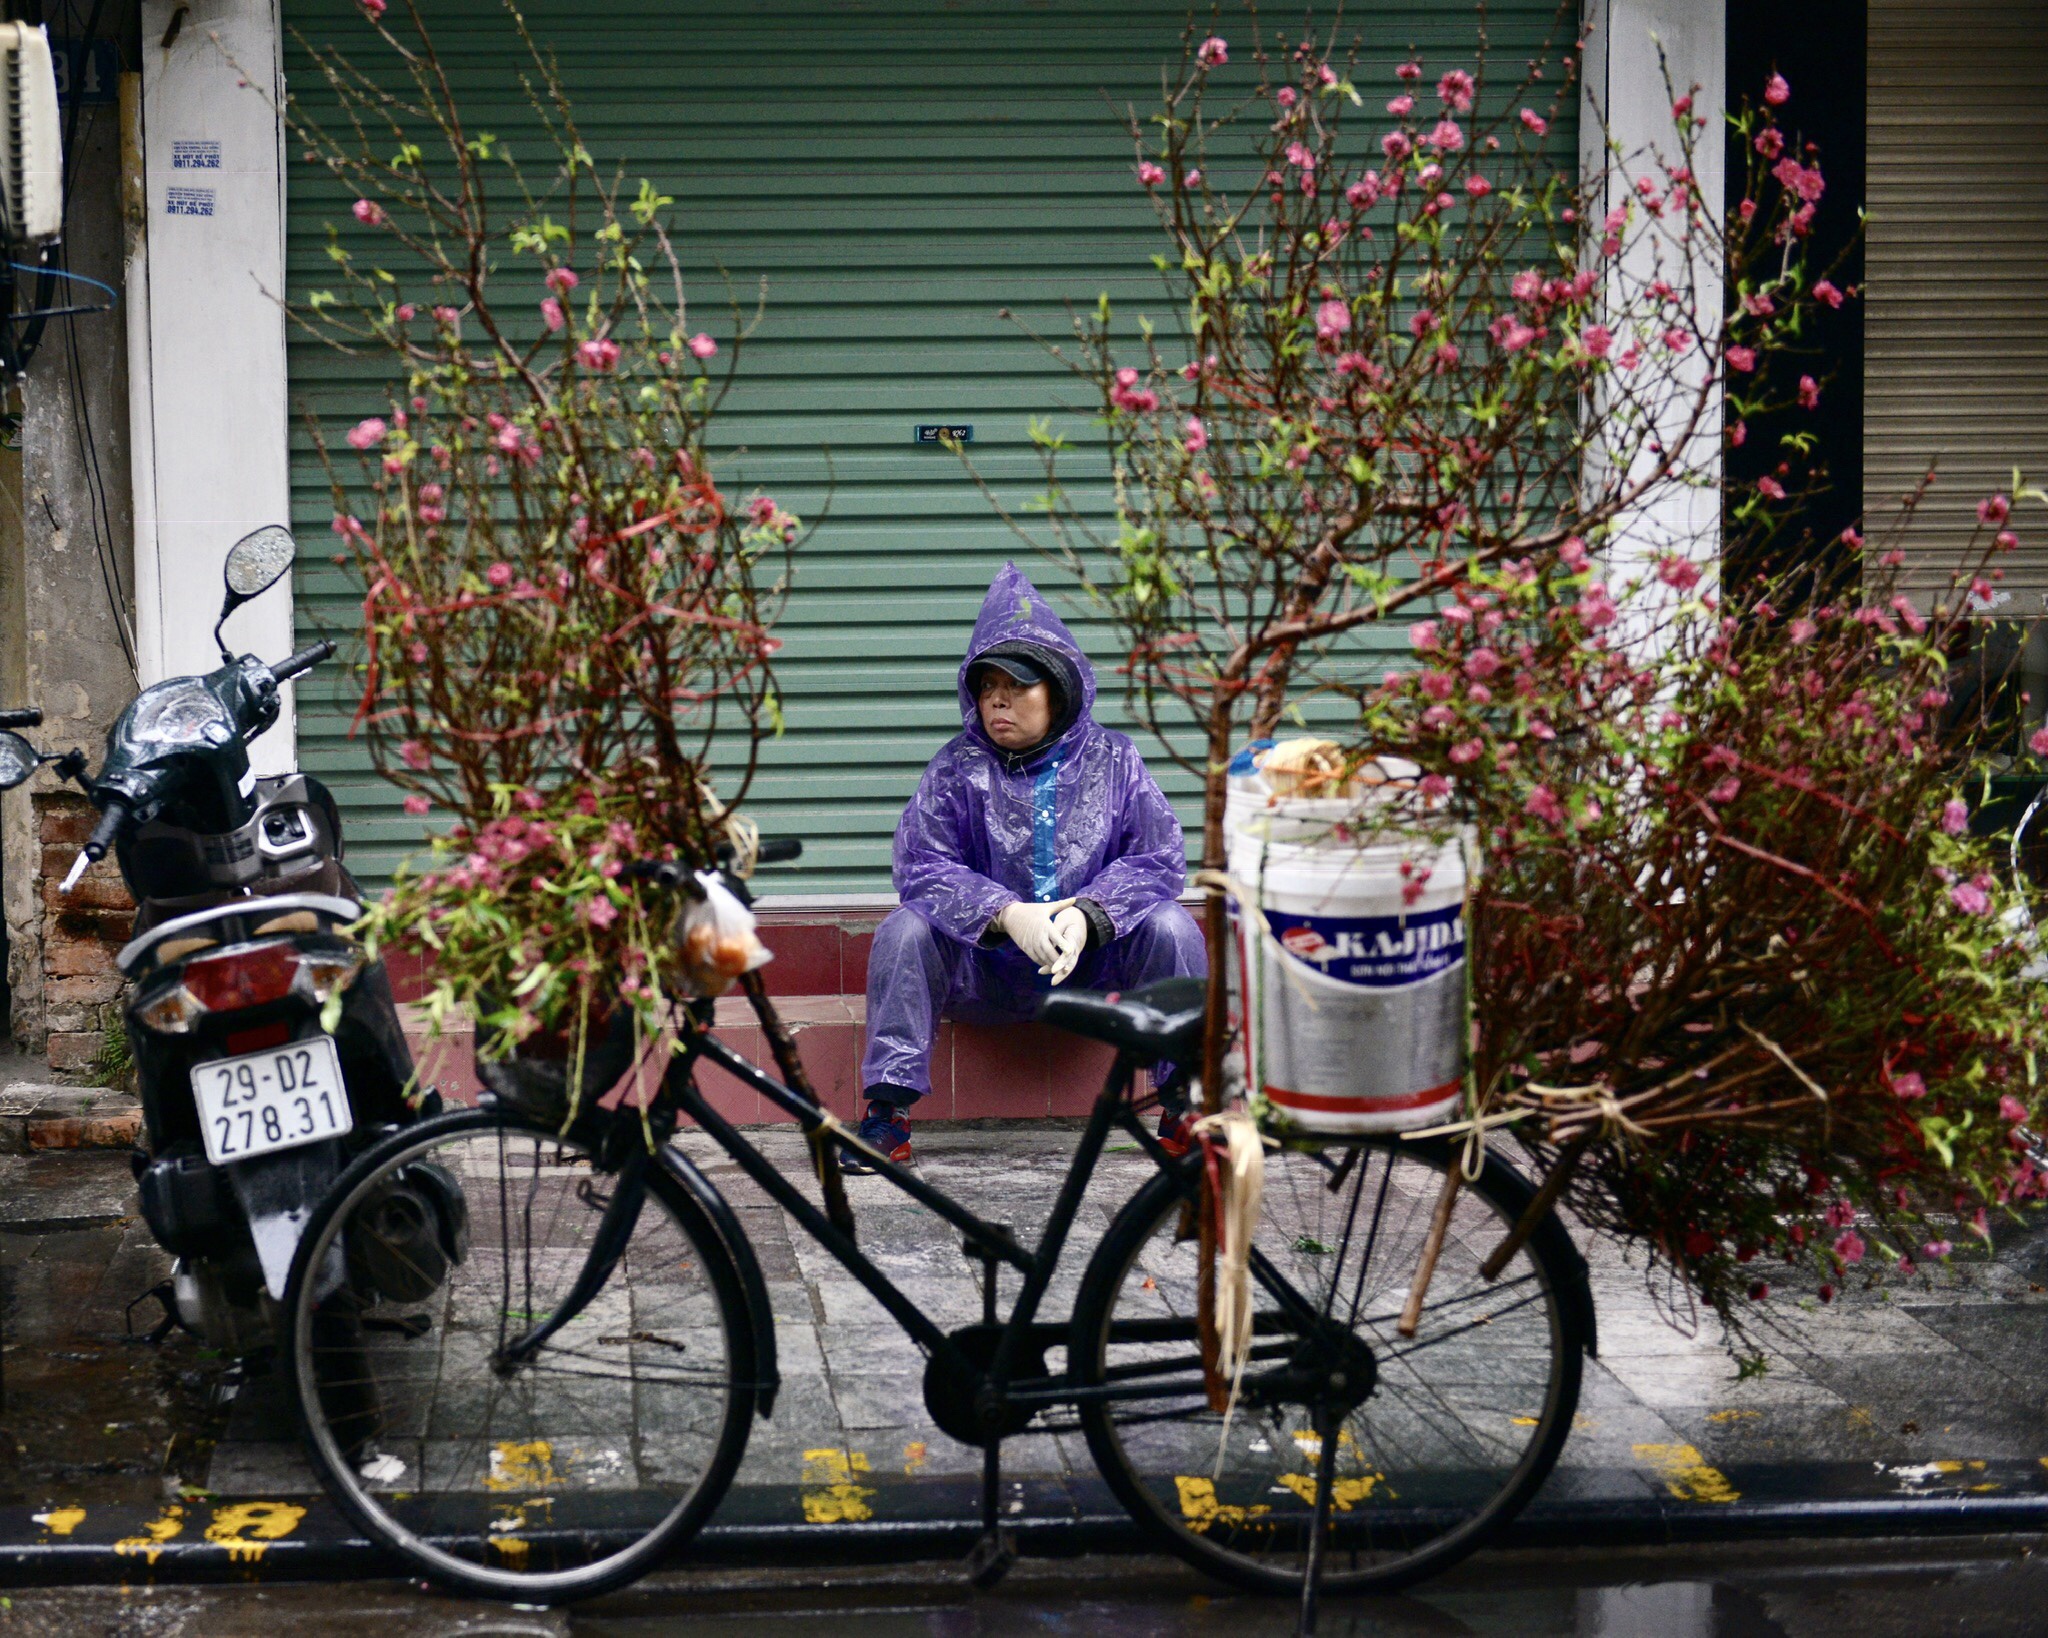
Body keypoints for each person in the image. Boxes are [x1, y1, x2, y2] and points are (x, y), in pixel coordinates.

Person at [848, 563, 1208, 1172]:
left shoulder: (1115, 760)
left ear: (1058, 689)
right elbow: (922, 865)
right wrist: (1005, 913)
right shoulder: (956, 767)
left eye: (1016, 686)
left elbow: (1157, 859)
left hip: (1092, 970)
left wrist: (1089, 917)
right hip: (982, 971)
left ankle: (1184, 1105)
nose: (998, 700)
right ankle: (888, 1115)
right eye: (987, 686)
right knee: (903, 930)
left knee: (1171, 927)